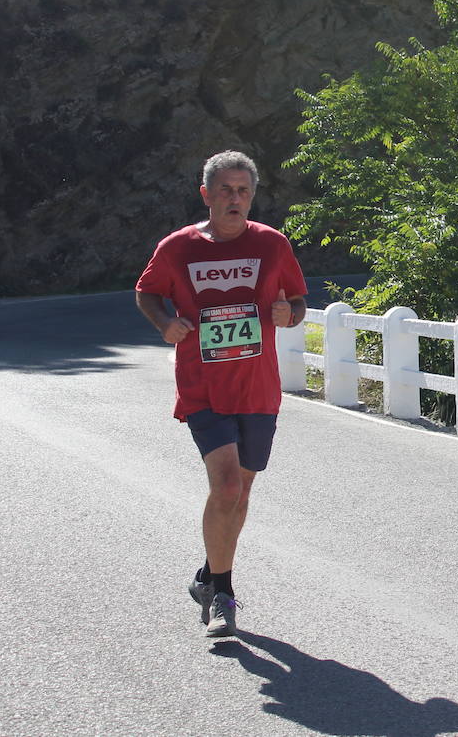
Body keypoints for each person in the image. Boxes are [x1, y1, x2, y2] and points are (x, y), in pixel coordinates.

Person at [135, 150, 308, 638]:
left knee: (242, 491)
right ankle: (222, 593)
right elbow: (146, 291)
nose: (236, 200)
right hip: (203, 386)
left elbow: (296, 299)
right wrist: (166, 322)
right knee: (227, 485)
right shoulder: (178, 248)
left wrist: (289, 315)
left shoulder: (272, 246)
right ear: (206, 195)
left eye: (244, 191)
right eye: (226, 191)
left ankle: (209, 573)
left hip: (258, 389)